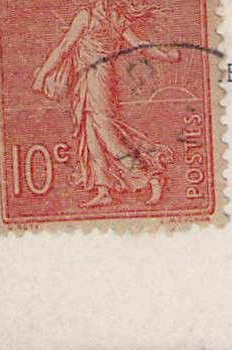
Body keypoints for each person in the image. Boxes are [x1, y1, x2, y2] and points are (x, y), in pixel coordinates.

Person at [30, 0, 184, 208]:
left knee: (106, 132)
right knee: (91, 131)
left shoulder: (91, 16)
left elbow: (65, 48)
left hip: (99, 80)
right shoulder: (110, 18)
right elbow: (139, 46)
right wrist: (165, 56)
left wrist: (41, 75)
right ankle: (104, 190)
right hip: (88, 80)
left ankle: (150, 176)